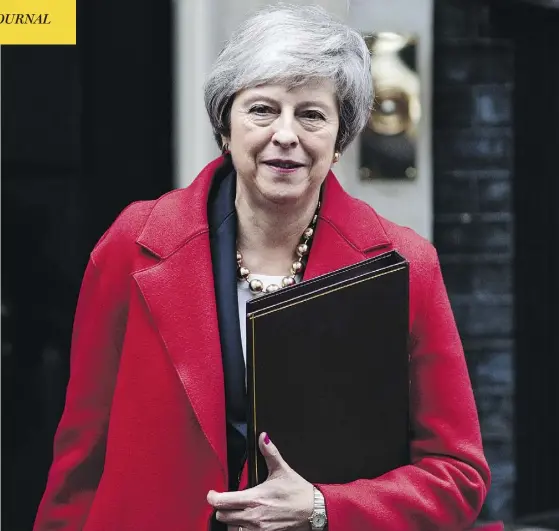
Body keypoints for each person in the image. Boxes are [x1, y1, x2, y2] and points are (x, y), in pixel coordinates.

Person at [34, 5, 491, 531]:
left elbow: (459, 475)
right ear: (226, 126)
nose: (286, 134)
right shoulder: (130, 245)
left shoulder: (406, 265)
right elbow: (81, 455)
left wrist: (324, 508)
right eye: (263, 109)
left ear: (340, 142)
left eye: (312, 115)